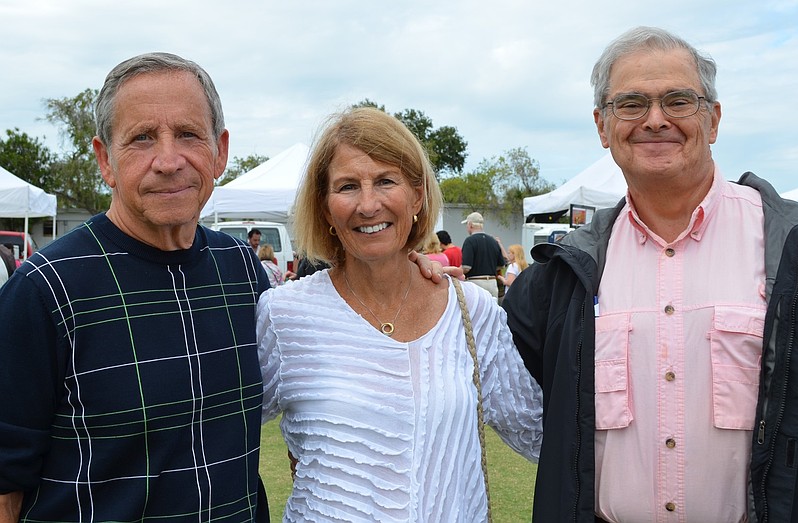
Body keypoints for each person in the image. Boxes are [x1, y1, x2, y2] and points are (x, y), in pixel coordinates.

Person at [501, 27, 798, 522]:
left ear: (714, 119)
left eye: (678, 101)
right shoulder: (567, 273)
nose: (655, 120)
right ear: (602, 126)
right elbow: (491, 363)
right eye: (631, 104)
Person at [0, 52, 270, 521]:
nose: (168, 161)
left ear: (220, 151)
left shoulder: (242, 269)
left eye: (188, 134)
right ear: (105, 159)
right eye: (142, 138)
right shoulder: (44, 291)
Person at [257, 107, 543, 522]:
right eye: (348, 186)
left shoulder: (472, 312)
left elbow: (538, 433)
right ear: (325, 208)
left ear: (417, 196)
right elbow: (222, 434)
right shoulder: (285, 314)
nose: (368, 204)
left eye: (386, 181)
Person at [460, 211, 506, 298]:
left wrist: (456, 271)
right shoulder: (493, 241)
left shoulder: (469, 241)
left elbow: (466, 267)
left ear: (470, 225)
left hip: (475, 283)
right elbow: (501, 265)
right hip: (492, 282)